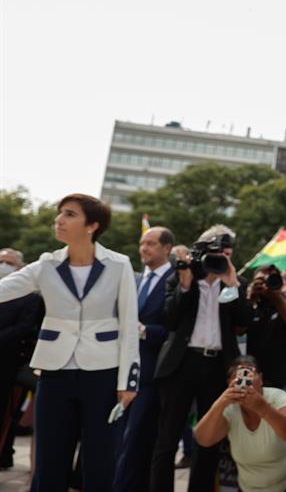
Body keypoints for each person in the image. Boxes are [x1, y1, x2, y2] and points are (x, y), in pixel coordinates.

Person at [0, 193, 140, 491]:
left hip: (103, 372)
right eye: (60, 213)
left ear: (92, 225)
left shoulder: (119, 264)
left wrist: (129, 381)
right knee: (49, 460)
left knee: (100, 460)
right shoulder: (46, 264)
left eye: (69, 214)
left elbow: (129, 323)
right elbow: (5, 288)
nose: (59, 220)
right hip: (54, 372)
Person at [149, 224, 253, 492]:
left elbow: (244, 320)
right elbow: (169, 319)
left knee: (209, 440)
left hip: (218, 366)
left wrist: (232, 284)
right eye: (221, 253)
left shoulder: (232, 280)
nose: (225, 259)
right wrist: (185, 283)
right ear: (204, 250)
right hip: (180, 365)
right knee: (166, 439)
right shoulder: (182, 275)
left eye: (230, 254)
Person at [193, 355, 286, 492]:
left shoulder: (276, 396)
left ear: (261, 379)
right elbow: (203, 439)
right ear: (229, 382)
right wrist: (220, 403)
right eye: (237, 375)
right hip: (253, 488)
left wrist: (262, 408)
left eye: (250, 374)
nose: (244, 381)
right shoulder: (228, 408)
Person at [114, 226, 177, 492]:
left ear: (167, 248)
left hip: (151, 374)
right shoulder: (134, 279)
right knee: (117, 439)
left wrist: (143, 331)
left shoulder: (176, 281)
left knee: (136, 441)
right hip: (121, 370)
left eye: (151, 244)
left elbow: (176, 330)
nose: (144, 249)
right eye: (142, 243)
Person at [0, 248, 41, 470]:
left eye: (8, 262)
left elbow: (25, 327)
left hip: (10, 364)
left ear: (19, 268)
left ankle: (4, 453)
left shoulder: (29, 296)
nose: (3, 266)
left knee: (6, 413)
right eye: (1, 261)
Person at [246, 265, 286, 406]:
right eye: (262, 280)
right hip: (257, 380)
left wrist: (277, 298)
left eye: (272, 277)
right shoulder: (251, 306)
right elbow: (238, 330)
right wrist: (250, 300)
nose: (267, 283)